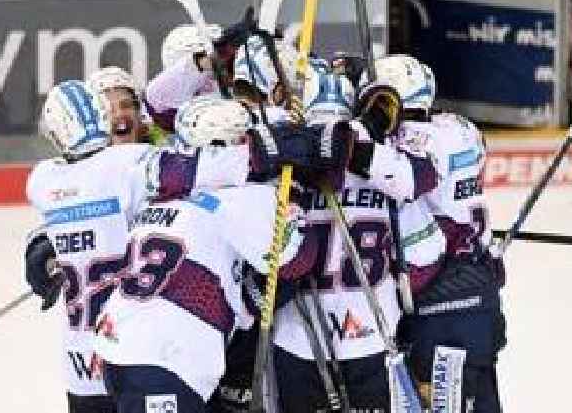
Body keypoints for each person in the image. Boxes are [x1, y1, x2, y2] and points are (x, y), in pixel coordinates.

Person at [23, 80, 260, 413]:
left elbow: (71, 210)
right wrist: (266, 152)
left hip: (80, 361)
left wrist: (41, 243)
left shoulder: (42, 180)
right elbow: (196, 172)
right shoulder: (132, 164)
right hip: (134, 346)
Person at [93, 96, 326, 413]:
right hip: (165, 363)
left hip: (120, 350)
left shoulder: (161, 198)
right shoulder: (242, 200)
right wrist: (295, 195)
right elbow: (297, 260)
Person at [270, 63, 444, 413]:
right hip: (369, 336)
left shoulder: (283, 174)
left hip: (300, 339)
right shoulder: (385, 169)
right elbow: (427, 249)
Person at [375, 54, 506, 413]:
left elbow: (403, 176)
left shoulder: (410, 140)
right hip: (481, 291)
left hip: (439, 304)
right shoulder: (462, 129)